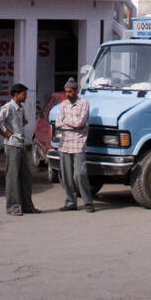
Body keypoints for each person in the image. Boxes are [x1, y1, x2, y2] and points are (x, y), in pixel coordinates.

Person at [0, 83, 38, 217]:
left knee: (26, 177)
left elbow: (24, 122)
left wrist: (17, 129)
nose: (26, 96)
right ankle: (13, 206)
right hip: (12, 146)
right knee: (13, 177)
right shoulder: (8, 107)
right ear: (16, 95)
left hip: (20, 144)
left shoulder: (20, 108)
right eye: (24, 94)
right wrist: (6, 133)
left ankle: (27, 206)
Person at [55, 78, 94, 212]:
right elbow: (58, 123)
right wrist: (70, 124)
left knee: (79, 174)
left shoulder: (84, 104)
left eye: (70, 91)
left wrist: (67, 122)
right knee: (66, 176)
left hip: (78, 143)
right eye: (66, 91)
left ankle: (88, 202)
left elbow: (80, 123)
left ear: (76, 91)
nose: (68, 94)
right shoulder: (63, 104)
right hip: (64, 144)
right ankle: (71, 202)